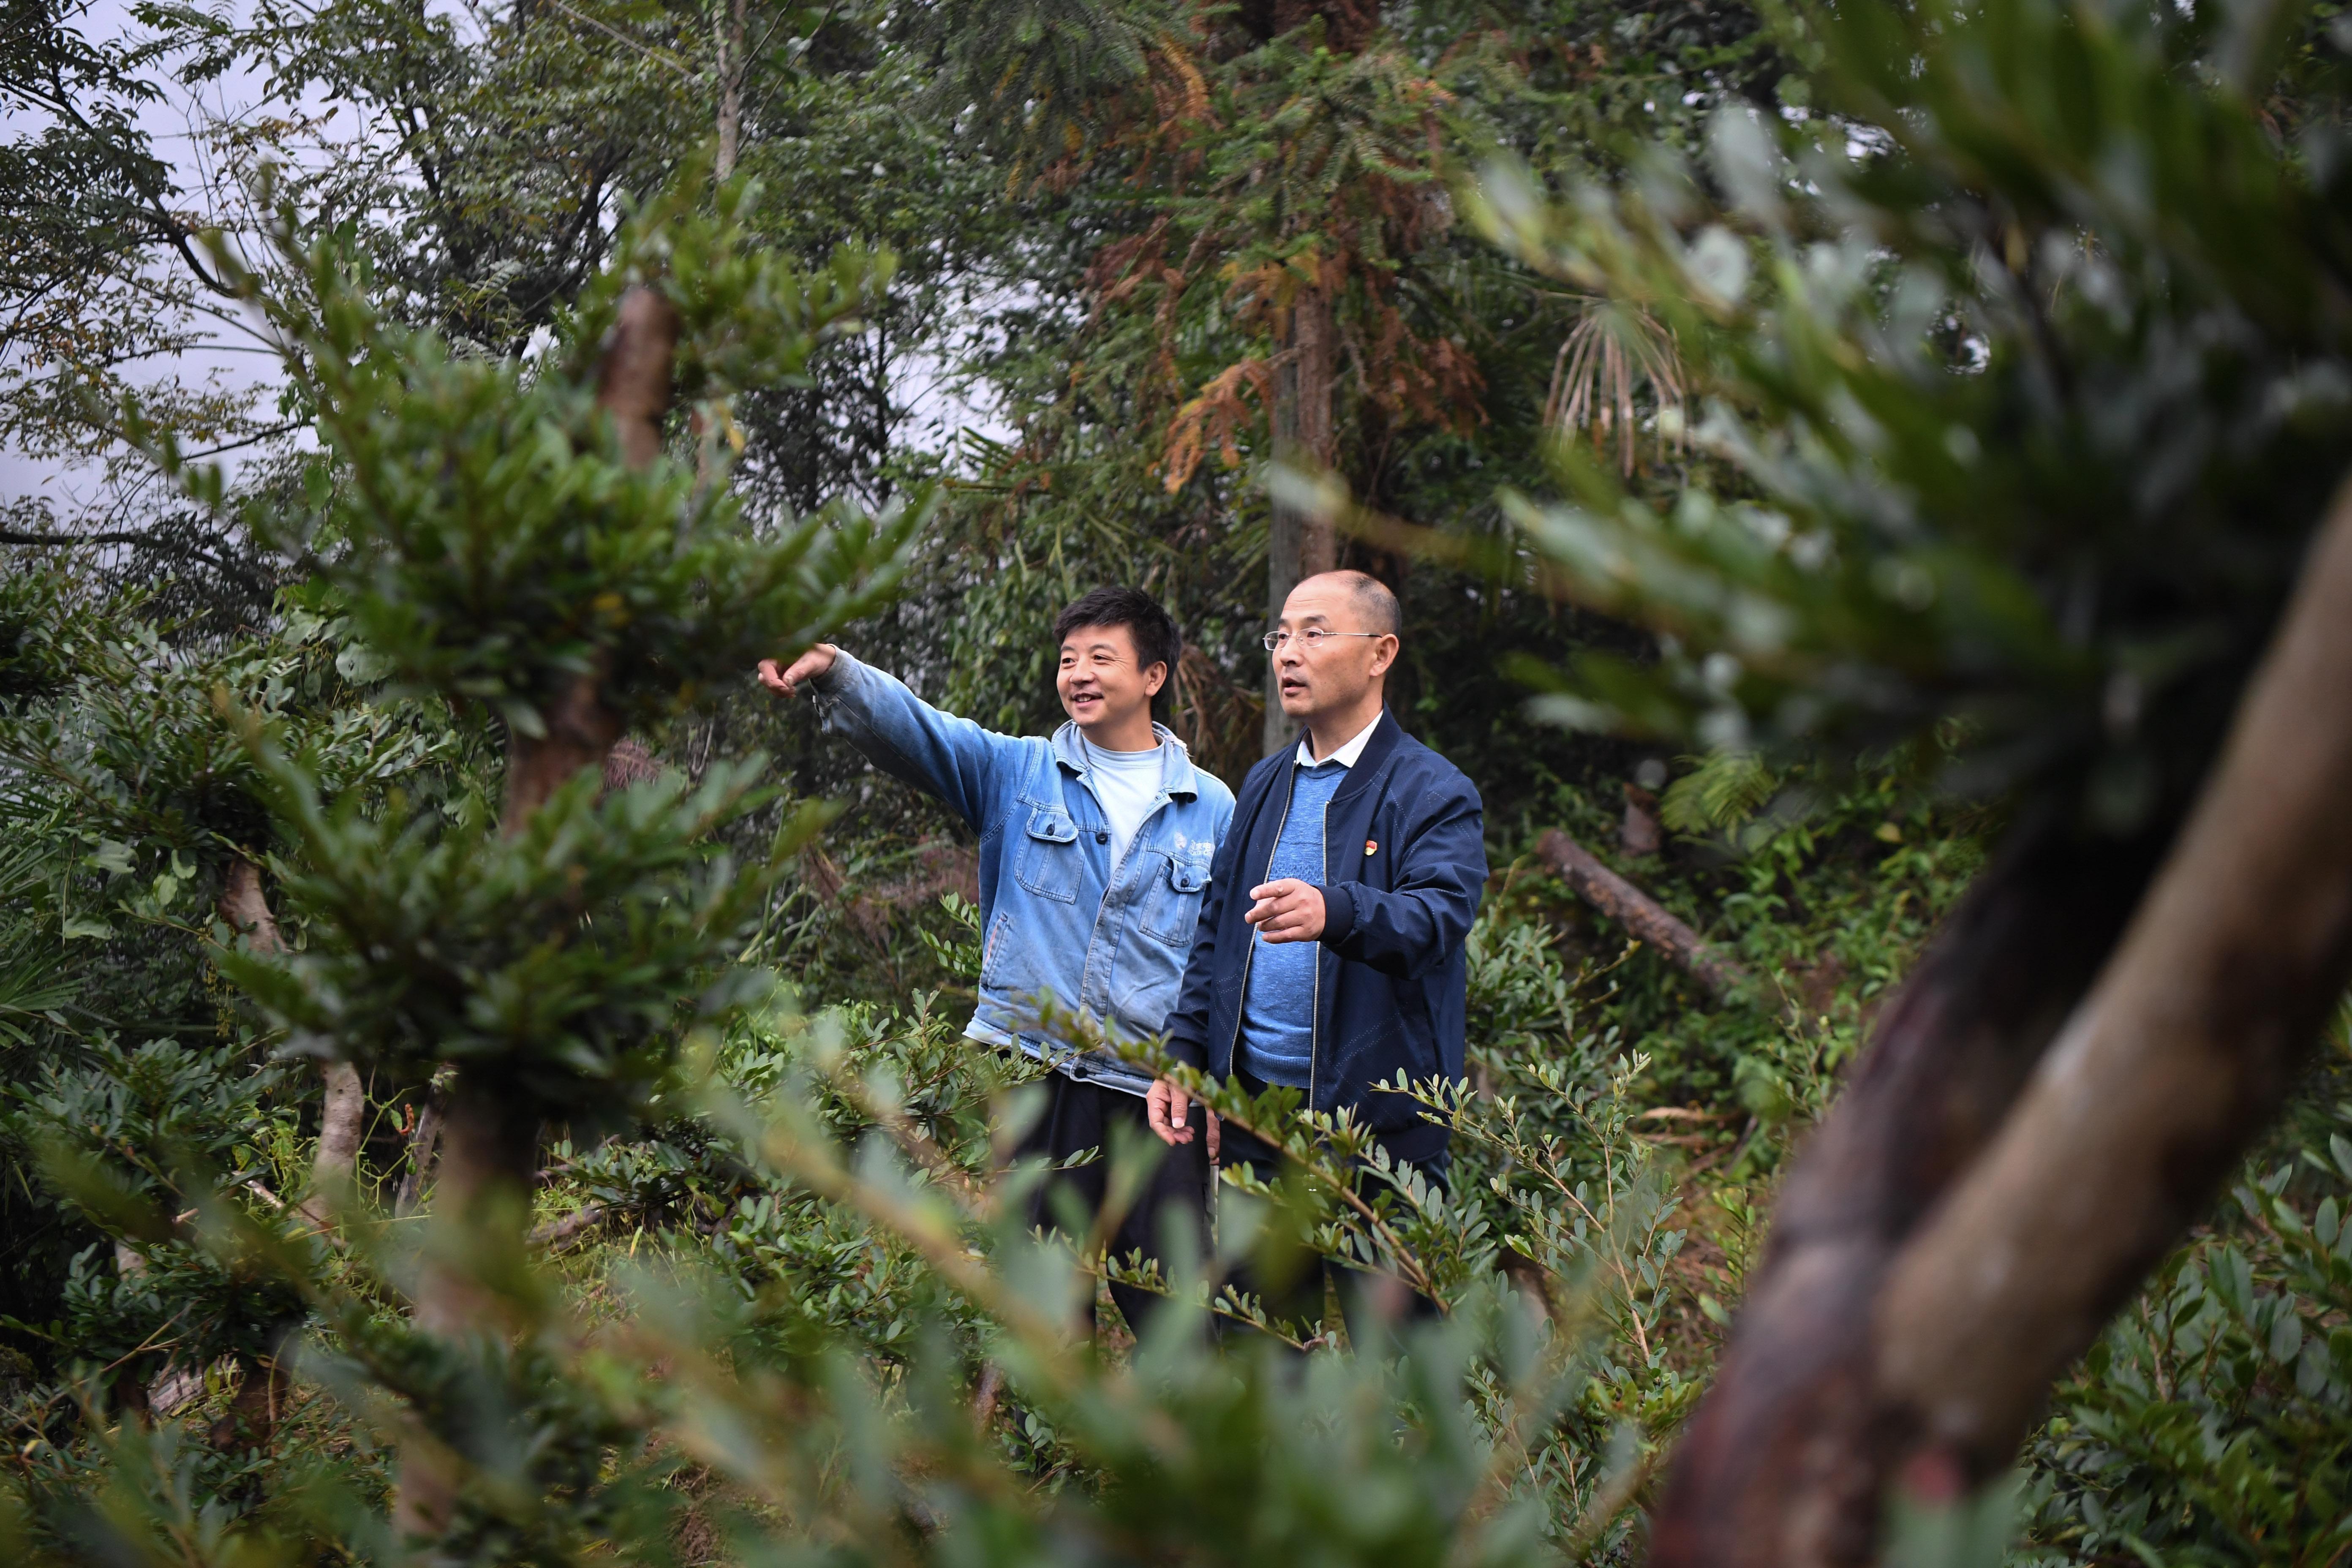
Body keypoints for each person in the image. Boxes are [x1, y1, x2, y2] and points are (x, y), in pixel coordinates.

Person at [757, 587, 1236, 1337]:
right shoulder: (1021, 772)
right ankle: (1044, 1455)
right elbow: (923, 734)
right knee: (1040, 1307)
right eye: (1068, 658)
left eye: (1101, 658)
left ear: (1153, 676)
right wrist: (834, 672)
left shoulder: (1213, 810)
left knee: (1178, 1307)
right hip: (1033, 1075)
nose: (1078, 673)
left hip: (1155, 1091)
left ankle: (1175, 1452)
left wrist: (1214, 1085)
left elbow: (1224, 962)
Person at [1148, 570, 1486, 1344]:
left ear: (1381, 654)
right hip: (1259, 1122)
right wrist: (1183, 1053)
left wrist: (1336, 908)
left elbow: (1440, 915)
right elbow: (1216, 938)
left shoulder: (1431, 789)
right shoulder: (1265, 785)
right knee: (1263, 1350)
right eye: (1281, 636)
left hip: (1380, 1129)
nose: (1288, 653)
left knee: (1404, 1359)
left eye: (1315, 633)